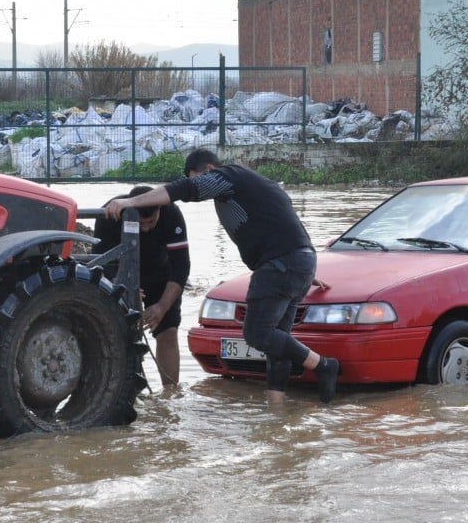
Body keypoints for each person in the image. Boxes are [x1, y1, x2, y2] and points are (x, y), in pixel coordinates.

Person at [103, 149, 340, 403]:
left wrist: (130, 203)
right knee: (276, 342)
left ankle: (323, 365)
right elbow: (284, 223)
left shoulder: (228, 177)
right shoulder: (254, 185)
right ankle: (277, 410)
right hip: (296, 262)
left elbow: (183, 189)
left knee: (257, 334)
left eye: (198, 179)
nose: (199, 186)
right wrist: (301, 268)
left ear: (208, 171)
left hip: (280, 265)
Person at [95, 185, 190, 387]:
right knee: (117, 335)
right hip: (120, 274)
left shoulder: (171, 213)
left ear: (159, 210)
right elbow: (100, 263)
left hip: (161, 274)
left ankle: (170, 393)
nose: (146, 228)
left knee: (168, 332)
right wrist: (122, 286)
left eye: (151, 222)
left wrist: (162, 307)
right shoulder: (109, 214)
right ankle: (122, 390)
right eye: (141, 223)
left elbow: (181, 267)